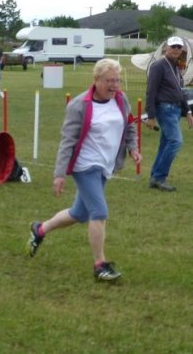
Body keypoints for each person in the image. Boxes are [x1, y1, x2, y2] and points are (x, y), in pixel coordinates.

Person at [28, 58, 142, 282]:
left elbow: (129, 124)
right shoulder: (79, 105)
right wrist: (59, 174)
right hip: (85, 165)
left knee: (79, 213)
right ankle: (100, 264)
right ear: (96, 80)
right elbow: (67, 141)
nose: (114, 85)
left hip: (106, 164)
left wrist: (133, 148)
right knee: (99, 212)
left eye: (117, 80)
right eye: (109, 81)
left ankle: (39, 229)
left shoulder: (121, 99)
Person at [145, 36, 193, 192]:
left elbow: (181, 92)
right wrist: (150, 116)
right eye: (173, 47)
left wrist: (188, 112)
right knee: (175, 142)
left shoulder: (176, 67)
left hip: (175, 109)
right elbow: (151, 91)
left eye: (179, 47)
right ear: (166, 48)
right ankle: (159, 177)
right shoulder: (158, 66)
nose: (176, 50)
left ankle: (155, 177)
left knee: (166, 143)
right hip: (164, 109)